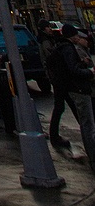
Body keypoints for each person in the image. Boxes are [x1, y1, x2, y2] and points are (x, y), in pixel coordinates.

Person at [48, 24, 95, 168]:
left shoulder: (62, 47)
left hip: (67, 87)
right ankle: (93, 156)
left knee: (82, 119)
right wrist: (90, 72)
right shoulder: (68, 49)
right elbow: (73, 70)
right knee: (87, 123)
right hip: (78, 89)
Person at [38, 20, 76, 148]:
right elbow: (50, 56)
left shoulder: (48, 39)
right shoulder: (45, 41)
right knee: (65, 105)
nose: (50, 28)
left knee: (63, 105)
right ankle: (55, 136)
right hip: (57, 77)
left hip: (57, 77)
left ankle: (55, 135)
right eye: (47, 27)